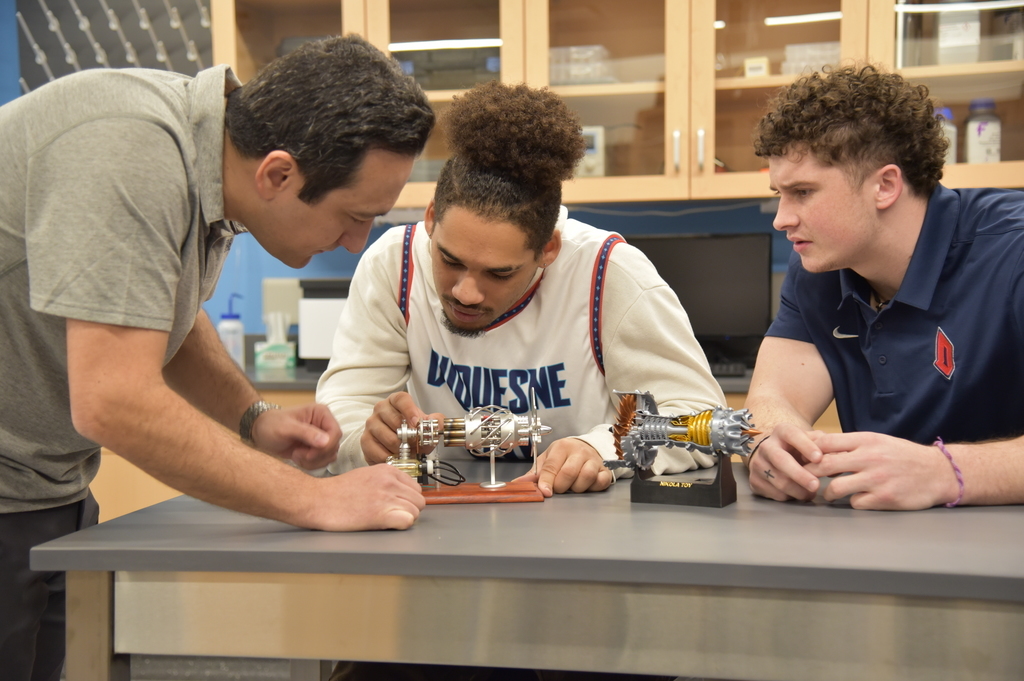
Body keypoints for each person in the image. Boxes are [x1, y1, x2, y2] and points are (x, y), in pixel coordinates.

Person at [0, 35, 434, 681]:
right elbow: (113, 401)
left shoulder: (204, 164)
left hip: (45, 488)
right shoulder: (127, 150)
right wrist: (315, 499)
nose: (355, 241)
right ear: (278, 174)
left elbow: (154, 310)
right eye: (353, 215)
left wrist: (253, 417)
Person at [317, 80, 725, 500]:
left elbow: (700, 418)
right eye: (450, 260)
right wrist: (364, 442)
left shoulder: (608, 273)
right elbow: (343, 410)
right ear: (432, 218)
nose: (466, 292)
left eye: (499, 273)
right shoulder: (396, 263)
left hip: (581, 520)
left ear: (548, 249)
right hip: (440, 511)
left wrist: (602, 447)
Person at [744, 63, 1024, 510]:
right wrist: (768, 442)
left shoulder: (1013, 250)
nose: (782, 219)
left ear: (886, 185)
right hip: (879, 535)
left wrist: (944, 472)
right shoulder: (817, 265)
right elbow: (774, 396)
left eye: (803, 192)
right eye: (780, 194)